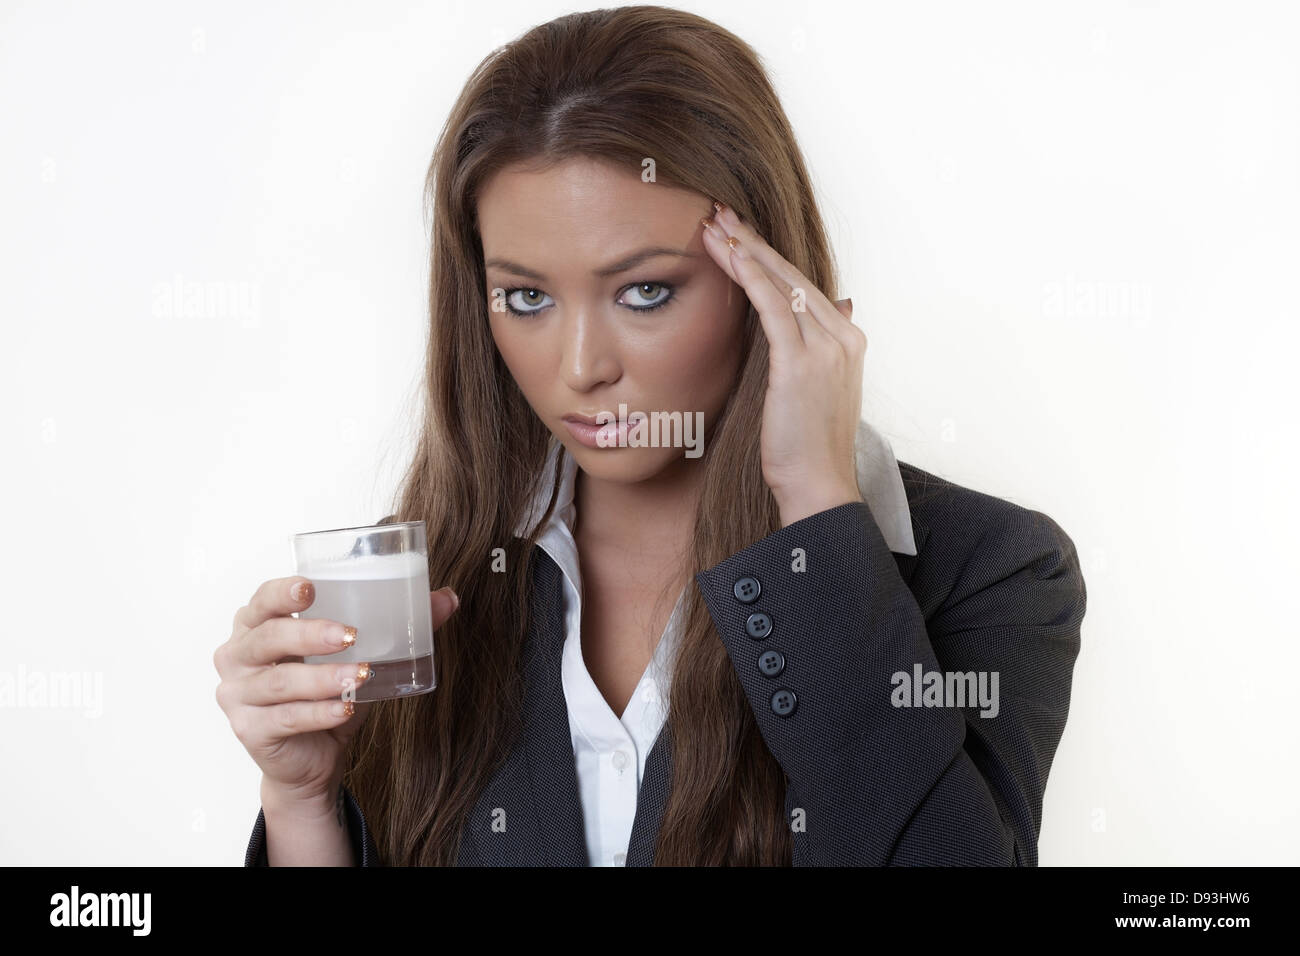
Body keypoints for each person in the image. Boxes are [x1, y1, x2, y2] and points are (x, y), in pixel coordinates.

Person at [213, 5, 1087, 867]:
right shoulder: (438, 579)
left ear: (771, 282)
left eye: (643, 292)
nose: (581, 367)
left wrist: (818, 504)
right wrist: (304, 804)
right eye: (526, 298)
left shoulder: (991, 570)